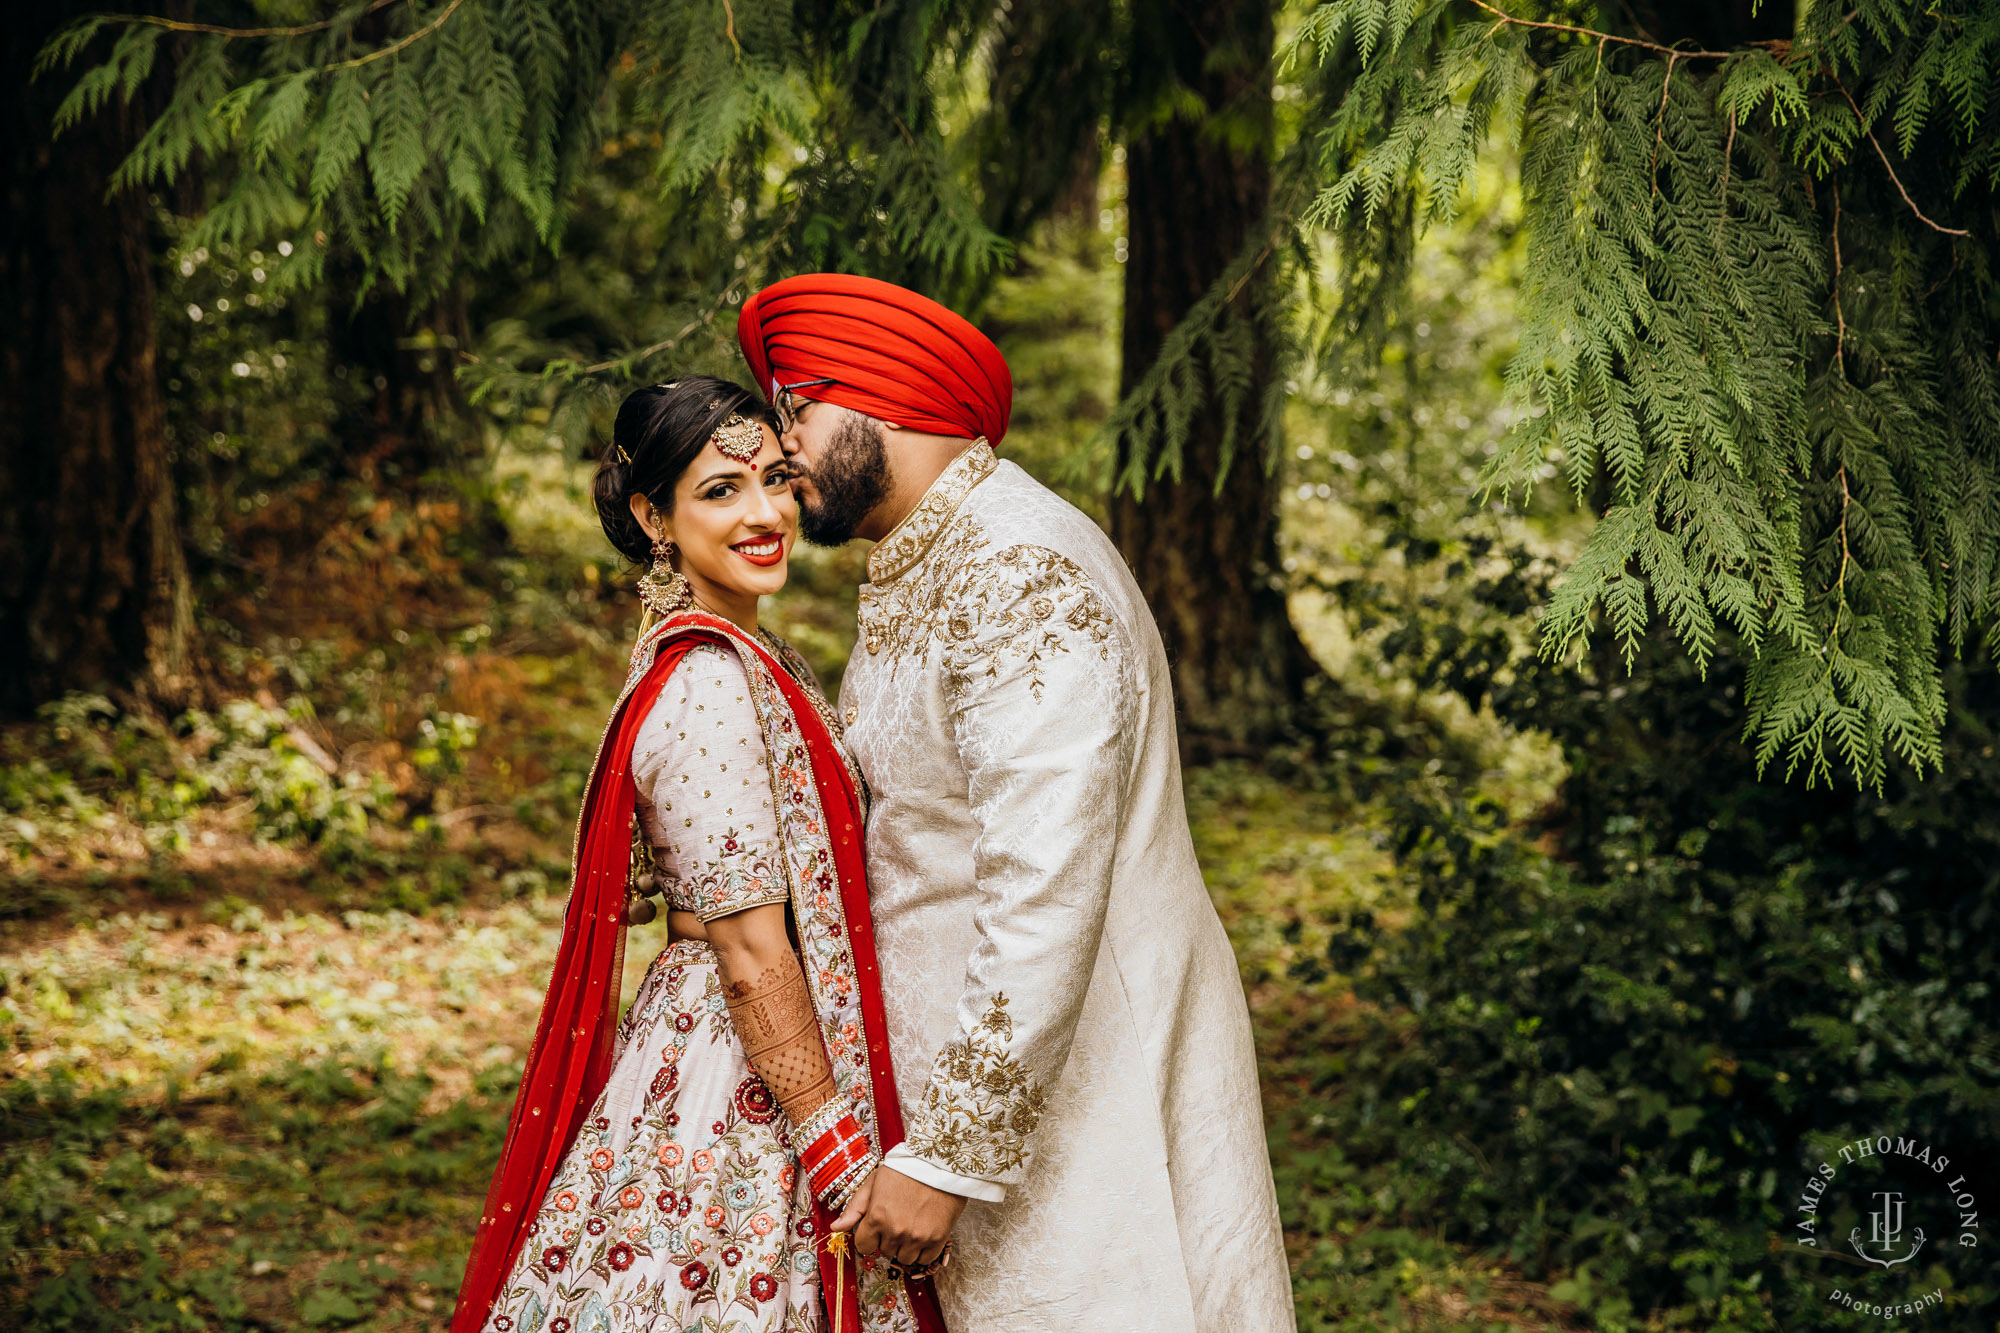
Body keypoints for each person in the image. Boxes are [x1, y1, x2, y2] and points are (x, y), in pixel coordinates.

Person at [738, 274, 1296, 1333]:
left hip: (1087, 1106)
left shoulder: (1015, 566)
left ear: (884, 400)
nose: (779, 453)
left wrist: (950, 1156)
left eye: (797, 412)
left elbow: (1044, 877)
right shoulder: (930, 559)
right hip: (998, 1097)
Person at [452, 376, 948, 1333]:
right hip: (738, 1077)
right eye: (721, 490)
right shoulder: (710, 681)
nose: (764, 514)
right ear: (654, 515)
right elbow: (752, 948)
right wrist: (831, 1141)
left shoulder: (744, 653)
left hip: (771, 1037)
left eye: (773, 478)